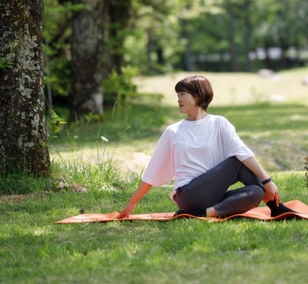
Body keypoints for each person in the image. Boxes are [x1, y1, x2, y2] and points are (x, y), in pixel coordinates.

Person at [117, 75, 296, 219]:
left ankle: (207, 213)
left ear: (198, 96)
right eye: (177, 95)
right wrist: (131, 204)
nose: (178, 99)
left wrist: (266, 183)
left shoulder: (219, 123)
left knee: (256, 191)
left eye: (182, 94)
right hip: (188, 194)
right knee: (237, 161)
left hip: (213, 196)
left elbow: (244, 153)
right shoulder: (173, 131)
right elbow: (152, 173)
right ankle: (277, 207)